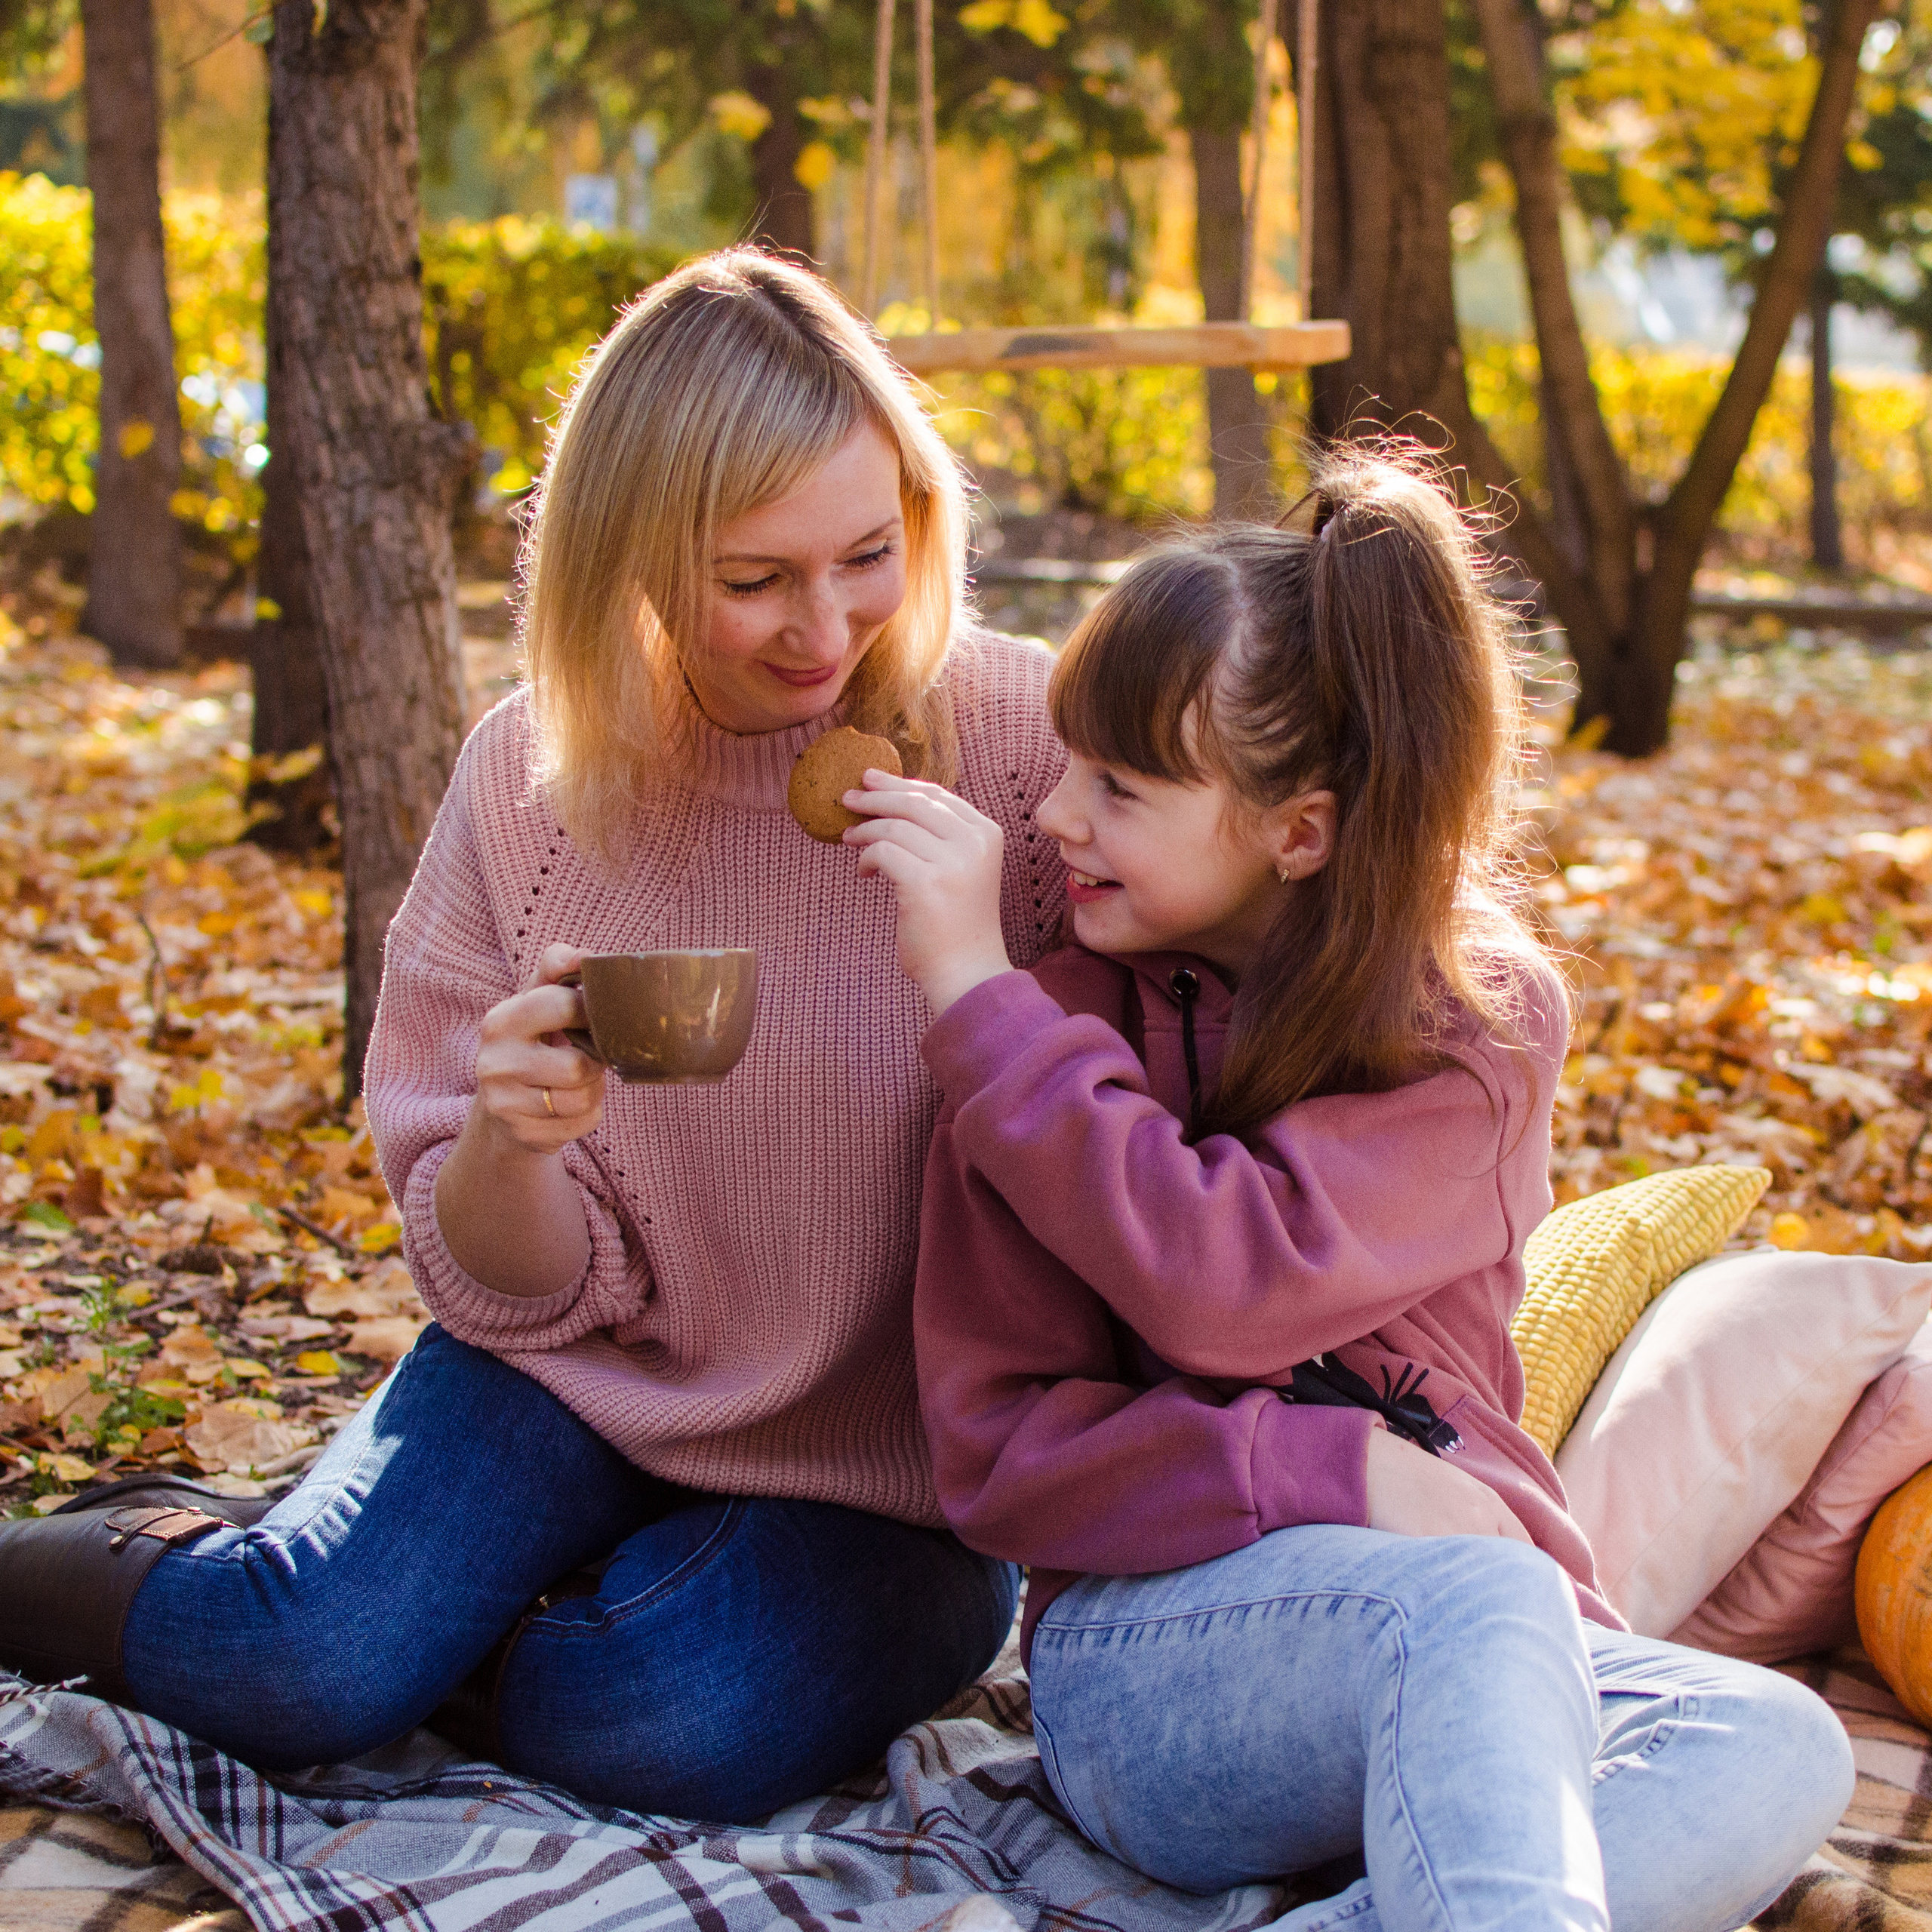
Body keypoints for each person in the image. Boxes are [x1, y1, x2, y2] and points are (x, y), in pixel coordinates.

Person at [0, 249, 1069, 1822]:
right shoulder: (533, 780)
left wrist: (977, 957)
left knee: (643, 1713)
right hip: (568, 1383)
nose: (823, 626)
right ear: (628, 552)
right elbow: (492, 1268)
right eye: (752, 576)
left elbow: (1165, 1090)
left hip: (892, 1485)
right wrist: (509, 1135)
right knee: (295, 1664)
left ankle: (455, 1613)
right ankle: (205, 1562)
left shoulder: (1021, 745)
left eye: (866, 552)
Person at [843, 450, 1854, 1931]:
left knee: (1774, 1740)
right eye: (1066, 761)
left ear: (1296, 829)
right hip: (1145, 1672)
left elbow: (1233, 1264)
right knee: (1480, 1603)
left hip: (1469, 1628)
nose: (1053, 815)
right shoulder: (1030, 1045)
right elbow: (1004, 1454)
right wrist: (1333, 1472)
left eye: (1118, 786)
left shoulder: (1471, 1022)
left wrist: (1428, 1530)